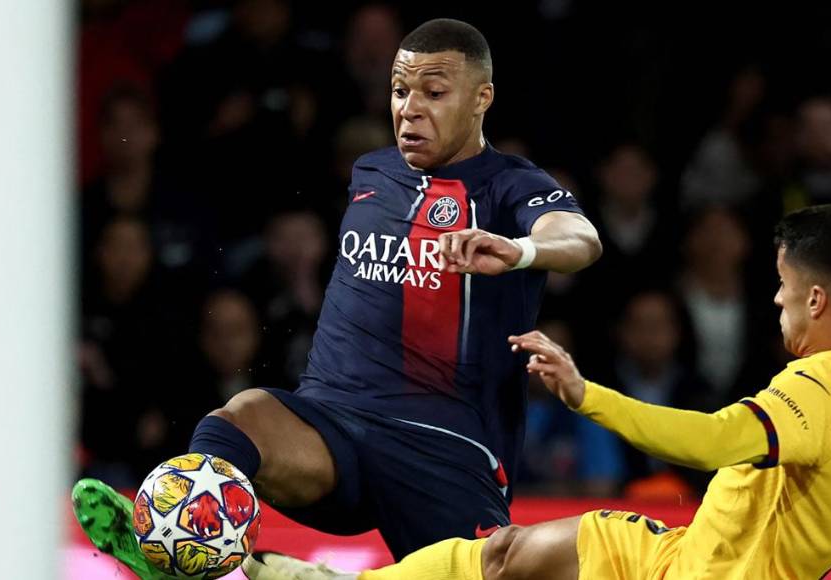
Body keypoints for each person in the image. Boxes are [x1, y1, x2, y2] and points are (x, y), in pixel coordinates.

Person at [72, 17, 601, 580]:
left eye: (435, 92)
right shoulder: (370, 170)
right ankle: (174, 555)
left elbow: (579, 238)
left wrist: (519, 250)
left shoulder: (509, 184)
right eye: (401, 90)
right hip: (333, 429)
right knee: (241, 417)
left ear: (481, 98)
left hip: (444, 451)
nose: (410, 108)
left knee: (493, 569)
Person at [255, 204, 831, 580]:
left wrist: (588, 395)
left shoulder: (824, 388)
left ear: (818, 298)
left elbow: (713, 442)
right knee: (505, 554)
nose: (775, 299)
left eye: (785, 288)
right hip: (679, 554)